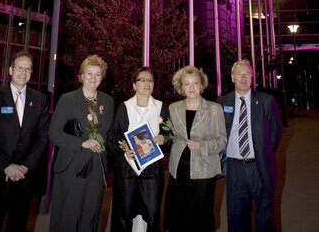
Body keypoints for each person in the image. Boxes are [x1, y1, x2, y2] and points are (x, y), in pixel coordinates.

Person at [0, 51, 49, 232]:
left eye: (27, 69)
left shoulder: (40, 100)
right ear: (10, 70)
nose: (23, 72)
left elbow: (42, 137)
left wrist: (25, 167)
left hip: (24, 178)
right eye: (19, 68)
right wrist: (7, 165)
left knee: (18, 225)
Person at [49, 55, 114, 232]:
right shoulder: (68, 99)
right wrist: (82, 142)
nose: (93, 78)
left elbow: (109, 135)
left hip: (96, 167)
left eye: (98, 74)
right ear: (82, 75)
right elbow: (54, 133)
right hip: (72, 166)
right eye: (89, 73)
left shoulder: (108, 102)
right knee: (68, 216)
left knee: (90, 217)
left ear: (103, 76)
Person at [219, 60, 283, 232]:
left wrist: (264, 152)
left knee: (265, 214)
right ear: (232, 78)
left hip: (259, 166)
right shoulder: (222, 103)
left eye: (247, 74)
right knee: (237, 216)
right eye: (239, 74)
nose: (243, 78)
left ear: (252, 77)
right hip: (235, 168)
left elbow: (276, 132)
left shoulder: (266, 101)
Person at [164, 65, 227, 232]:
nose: (191, 87)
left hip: (204, 171)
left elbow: (222, 140)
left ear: (202, 85)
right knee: (179, 213)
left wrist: (201, 145)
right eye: (187, 84)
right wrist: (162, 139)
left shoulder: (215, 109)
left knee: (200, 215)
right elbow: (170, 136)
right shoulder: (173, 108)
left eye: (195, 83)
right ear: (181, 87)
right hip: (179, 170)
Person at [109, 66, 169, 232]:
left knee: (152, 214)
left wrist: (164, 139)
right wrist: (124, 147)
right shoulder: (124, 108)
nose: (146, 83)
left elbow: (170, 136)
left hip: (152, 171)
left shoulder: (161, 108)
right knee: (124, 215)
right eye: (142, 80)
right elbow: (113, 137)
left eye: (150, 80)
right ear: (134, 85)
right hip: (127, 170)